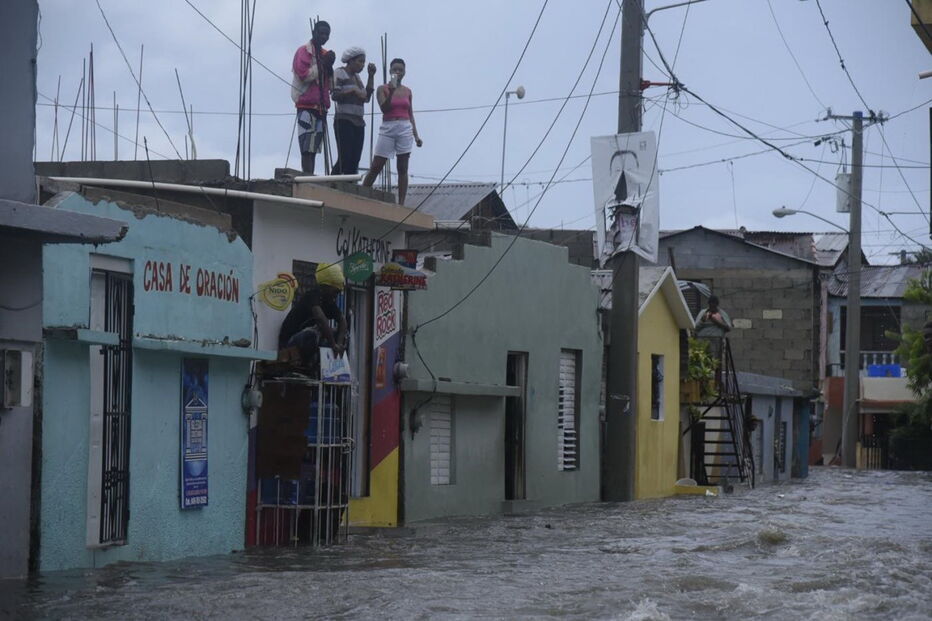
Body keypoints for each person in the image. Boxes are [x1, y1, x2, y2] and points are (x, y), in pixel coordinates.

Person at [362, 58, 423, 205]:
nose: (397, 72)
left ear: (404, 72)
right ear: (390, 71)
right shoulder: (382, 88)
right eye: (395, 69)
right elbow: (384, 108)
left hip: (404, 127)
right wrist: (392, 91)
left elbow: (410, 114)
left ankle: (401, 203)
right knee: (377, 165)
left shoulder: (408, 91)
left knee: (403, 167)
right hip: (388, 126)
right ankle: (362, 193)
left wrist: (416, 135)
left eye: (400, 70)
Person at [278, 263, 348, 368]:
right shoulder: (312, 295)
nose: (335, 296)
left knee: (340, 333)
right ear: (325, 287)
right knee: (313, 333)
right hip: (289, 342)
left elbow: (342, 321)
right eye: (335, 291)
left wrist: (339, 344)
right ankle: (310, 363)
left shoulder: (328, 301)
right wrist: (333, 345)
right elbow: (320, 318)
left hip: (306, 342)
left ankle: (327, 365)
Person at [291, 21, 336, 175]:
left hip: (321, 107)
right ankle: (307, 175)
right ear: (314, 32)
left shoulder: (324, 54)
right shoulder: (303, 51)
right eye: (321, 33)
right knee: (306, 146)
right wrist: (323, 64)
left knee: (314, 147)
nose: (324, 37)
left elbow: (331, 84)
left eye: (327, 34)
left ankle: (310, 175)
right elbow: (304, 75)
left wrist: (329, 66)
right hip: (306, 105)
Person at [331, 47, 376, 175]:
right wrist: (352, 91)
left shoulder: (357, 78)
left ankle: (348, 185)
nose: (362, 65)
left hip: (359, 122)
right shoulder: (340, 72)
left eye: (363, 62)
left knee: (355, 159)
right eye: (360, 61)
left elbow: (366, 97)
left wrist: (371, 76)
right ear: (350, 61)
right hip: (344, 120)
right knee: (345, 156)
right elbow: (335, 95)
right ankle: (331, 182)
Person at [695, 295, 732, 375]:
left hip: (716, 341)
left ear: (717, 304)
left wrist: (717, 321)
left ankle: (715, 379)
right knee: (702, 361)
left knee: (714, 362)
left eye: (714, 304)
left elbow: (728, 327)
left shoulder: (721, 313)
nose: (712, 306)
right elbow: (695, 327)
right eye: (711, 304)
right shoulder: (703, 313)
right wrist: (703, 320)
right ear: (708, 304)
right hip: (702, 340)